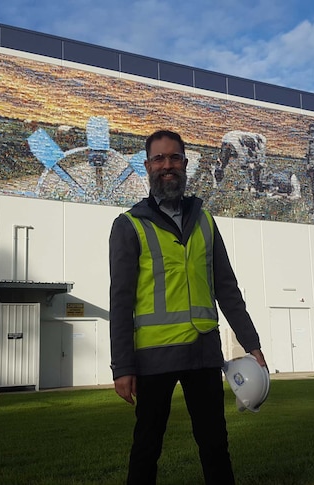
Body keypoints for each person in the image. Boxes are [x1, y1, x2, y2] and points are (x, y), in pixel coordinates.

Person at [109, 130, 267, 485]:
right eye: (160, 159)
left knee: (215, 446)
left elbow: (226, 288)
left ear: (185, 163)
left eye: (175, 158)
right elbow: (120, 301)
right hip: (154, 358)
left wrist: (251, 343)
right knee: (147, 448)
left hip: (203, 354)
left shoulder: (205, 220)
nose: (168, 166)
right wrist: (122, 366)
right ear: (148, 166)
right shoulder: (129, 225)